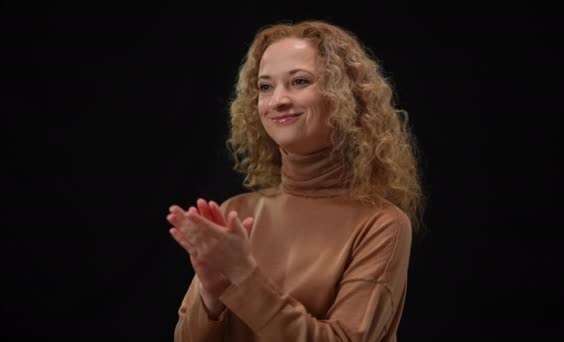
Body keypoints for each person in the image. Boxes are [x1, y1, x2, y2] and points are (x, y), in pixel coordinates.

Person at [166, 19, 424, 341]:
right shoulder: (236, 212)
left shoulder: (382, 224)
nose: (278, 101)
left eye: (299, 81)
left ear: (344, 95)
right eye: (265, 87)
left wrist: (244, 277)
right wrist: (211, 296)